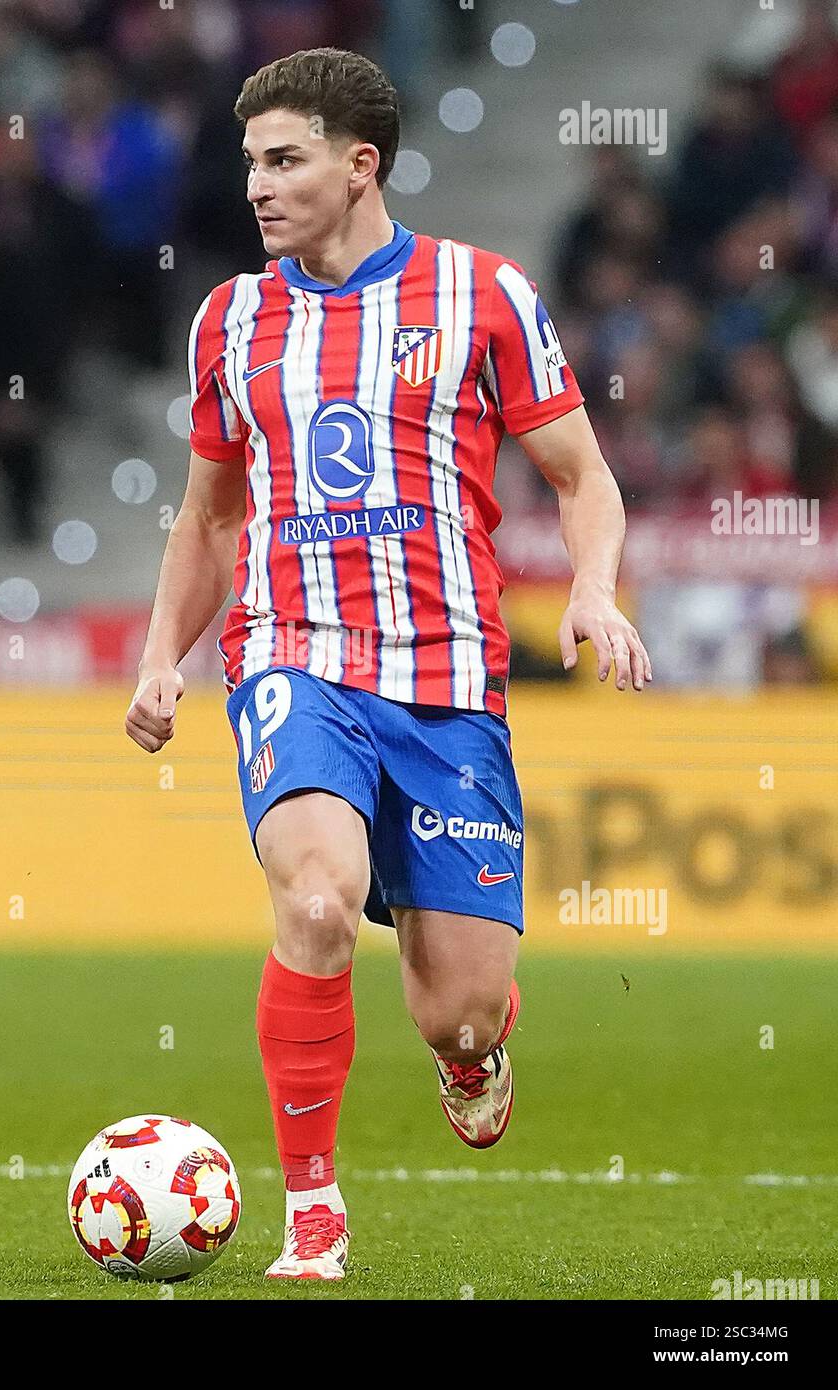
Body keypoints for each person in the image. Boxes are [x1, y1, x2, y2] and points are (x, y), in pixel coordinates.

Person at [125, 48, 651, 1282]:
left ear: (358, 166)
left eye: (283, 159)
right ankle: (312, 1210)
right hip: (292, 661)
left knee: (454, 1007)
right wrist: (163, 658)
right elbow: (209, 517)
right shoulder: (230, 319)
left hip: (448, 678)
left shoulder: (482, 296)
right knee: (313, 902)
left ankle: (472, 1052)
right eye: (250, 161)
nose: (255, 185)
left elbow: (579, 476)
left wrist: (588, 588)